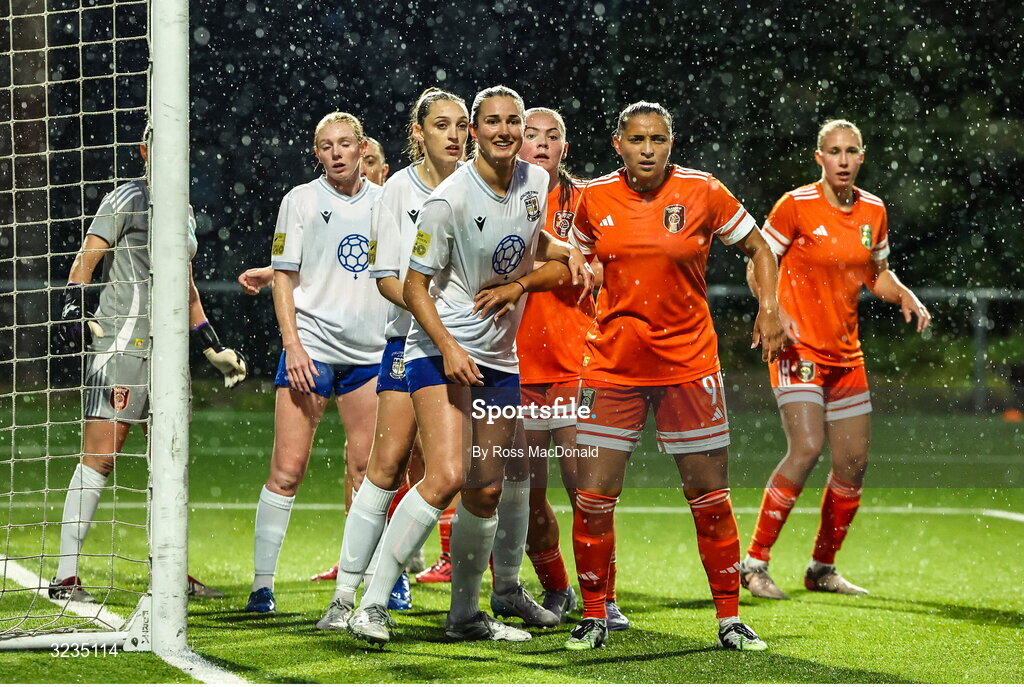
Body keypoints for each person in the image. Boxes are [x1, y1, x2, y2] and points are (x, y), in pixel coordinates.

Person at [345, 85, 593, 646]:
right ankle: (372, 604)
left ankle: (466, 616)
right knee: (448, 476)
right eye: (493, 123)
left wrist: (559, 253)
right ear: (476, 131)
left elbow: (528, 238)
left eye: (515, 122)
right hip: (441, 349)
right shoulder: (449, 199)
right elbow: (412, 283)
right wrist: (449, 346)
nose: (505, 131)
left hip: (499, 358)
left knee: (486, 489)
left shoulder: (536, 182)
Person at [563, 101, 785, 651]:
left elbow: (759, 249)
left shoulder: (704, 191)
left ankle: (729, 619)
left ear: (671, 143)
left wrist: (770, 307)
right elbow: (575, 262)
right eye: (636, 139)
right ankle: (595, 615)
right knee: (593, 498)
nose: (647, 149)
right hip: (612, 367)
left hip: (688, 365)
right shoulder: (592, 199)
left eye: (657, 140)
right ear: (618, 144)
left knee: (709, 497)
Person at [739, 119, 931, 599]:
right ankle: (754, 563)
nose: (843, 160)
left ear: (862, 157)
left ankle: (821, 568)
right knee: (806, 447)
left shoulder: (874, 210)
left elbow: (876, 273)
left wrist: (902, 293)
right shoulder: (796, 205)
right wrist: (773, 311)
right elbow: (757, 261)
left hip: (846, 353)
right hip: (796, 346)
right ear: (818, 158)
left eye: (851, 151)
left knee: (853, 462)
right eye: (833, 151)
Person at [50, 137, 246, 602]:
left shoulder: (187, 212)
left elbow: (188, 287)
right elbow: (86, 260)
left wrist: (210, 346)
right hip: (121, 347)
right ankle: (64, 576)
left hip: (169, 355)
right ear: (144, 150)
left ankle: (172, 571)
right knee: (101, 456)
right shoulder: (128, 197)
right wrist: (73, 308)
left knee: (169, 461)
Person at [314, 87, 470, 631]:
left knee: (467, 477)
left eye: (460, 125)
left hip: (469, 349)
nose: (453, 135)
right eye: (441, 125)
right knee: (389, 470)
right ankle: (350, 598)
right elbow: (387, 280)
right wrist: (438, 318)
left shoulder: (482, 185)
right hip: (411, 346)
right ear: (418, 134)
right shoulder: (396, 192)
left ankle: (467, 603)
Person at [244, 111, 386, 614]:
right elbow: (286, 275)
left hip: (371, 356)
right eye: (326, 146)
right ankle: (262, 585)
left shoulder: (387, 202)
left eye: (345, 143)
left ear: (362, 146)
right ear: (316, 152)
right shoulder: (299, 201)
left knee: (369, 470)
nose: (337, 153)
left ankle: (369, 581)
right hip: (313, 350)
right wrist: (293, 344)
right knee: (287, 468)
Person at [513, 106, 604, 625]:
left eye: (553, 136)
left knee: (587, 490)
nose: (541, 143)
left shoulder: (586, 201)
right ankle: (557, 588)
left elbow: (611, 263)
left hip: (578, 365)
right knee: (523, 494)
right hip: (514, 367)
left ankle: (602, 597)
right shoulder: (499, 200)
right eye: (531, 135)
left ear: (565, 149)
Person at [236, 135, 390, 295]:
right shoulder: (316, 208)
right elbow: (318, 258)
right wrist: (272, 273)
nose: (361, 169)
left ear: (384, 170)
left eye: (369, 161)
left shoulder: (397, 208)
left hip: (386, 314)